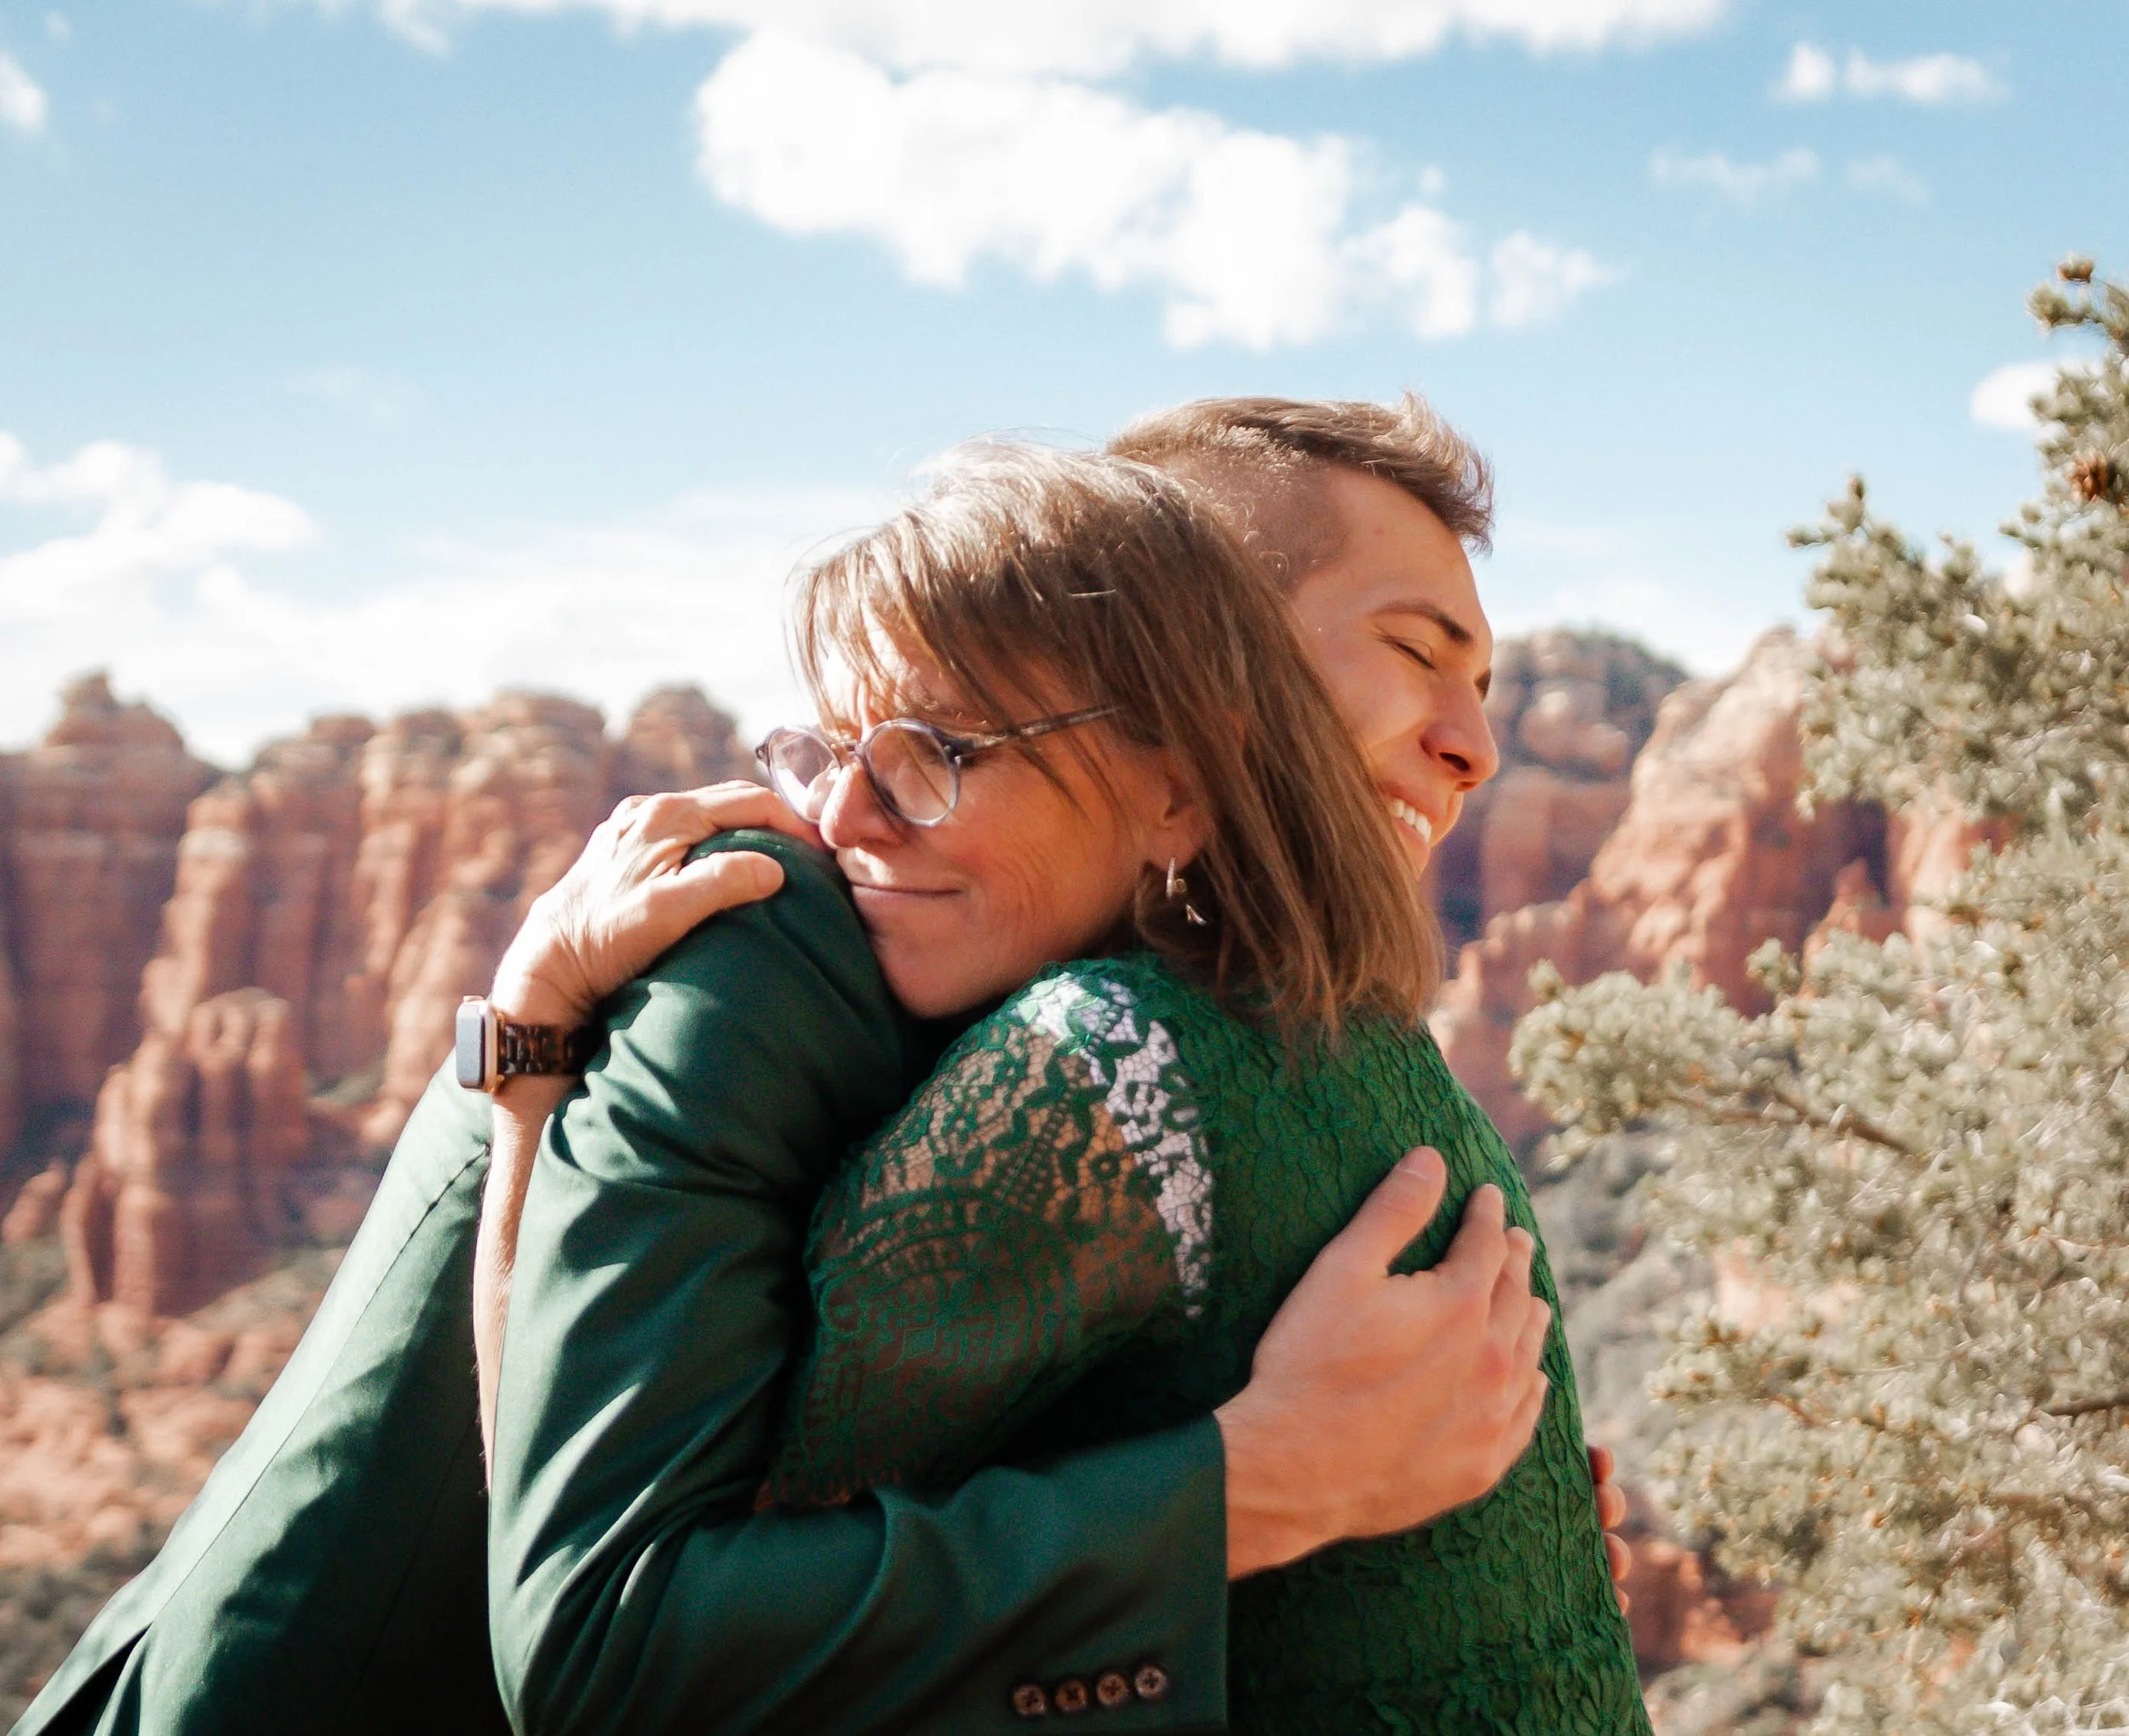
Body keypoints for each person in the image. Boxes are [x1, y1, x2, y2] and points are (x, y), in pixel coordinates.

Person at [10, 397, 1605, 1736]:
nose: (1473, 737)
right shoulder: (762, 949)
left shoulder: (1163, 1000)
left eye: (928, 759)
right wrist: (1263, 1487)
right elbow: (606, 1625)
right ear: (1205, 665)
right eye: (1416, 648)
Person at [484, 444, 1645, 1733]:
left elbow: (617, 1634)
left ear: (1180, 779)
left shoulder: (1099, 1062)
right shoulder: (1363, 1035)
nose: (846, 818)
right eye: (828, 751)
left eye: (937, 752)